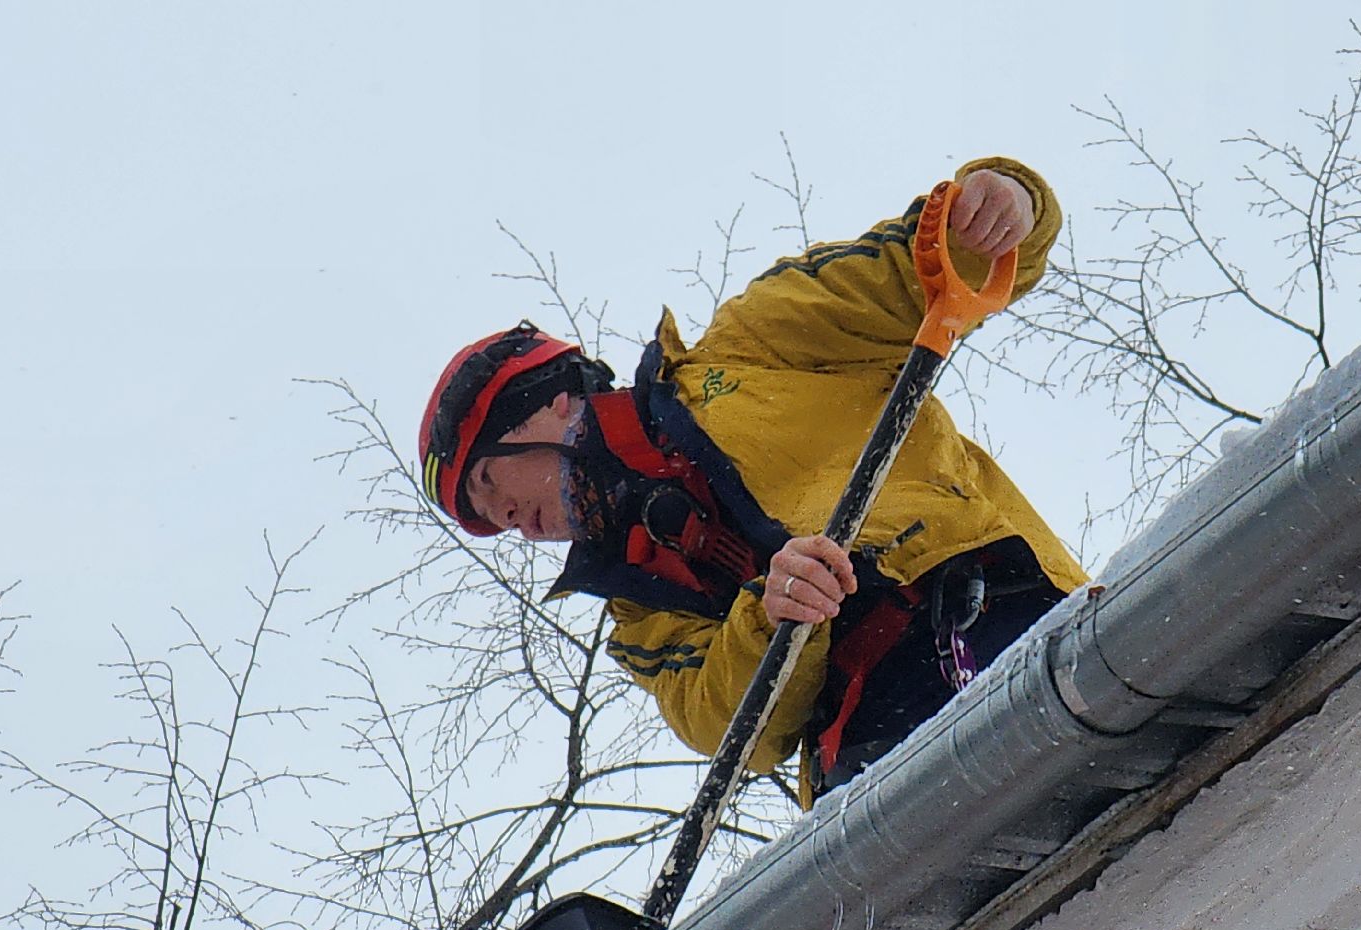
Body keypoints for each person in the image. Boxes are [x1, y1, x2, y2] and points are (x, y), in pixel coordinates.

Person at [417, 158, 1087, 806]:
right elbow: (732, 732)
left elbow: (916, 273)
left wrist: (1003, 205)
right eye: (493, 521)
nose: (508, 518)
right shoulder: (641, 613)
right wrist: (769, 616)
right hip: (871, 745)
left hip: (994, 606)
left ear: (544, 401)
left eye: (488, 482)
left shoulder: (757, 343)